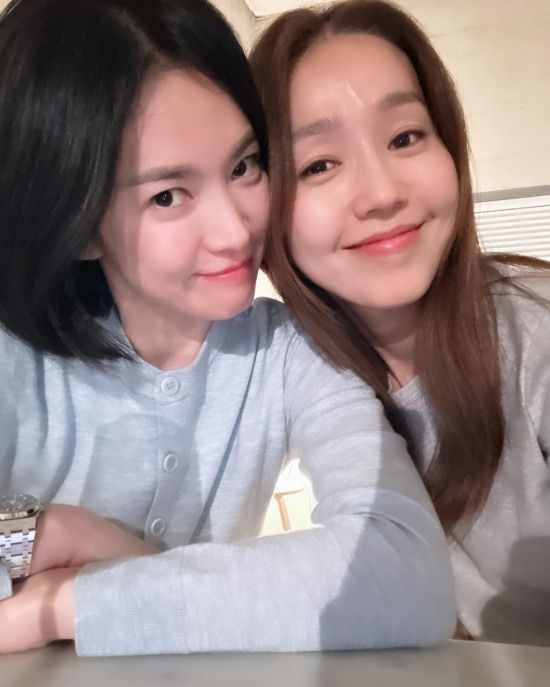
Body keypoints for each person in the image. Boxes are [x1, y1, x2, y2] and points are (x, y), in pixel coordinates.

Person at [0, 0, 455, 657]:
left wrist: (72, 593)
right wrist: (40, 531)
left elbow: (407, 575)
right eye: (167, 195)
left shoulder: (291, 351)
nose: (236, 230)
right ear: (79, 223)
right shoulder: (18, 360)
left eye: (244, 166)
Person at [250, 0, 550, 646]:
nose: (383, 193)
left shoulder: (535, 335)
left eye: (405, 137)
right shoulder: (294, 366)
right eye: (319, 164)